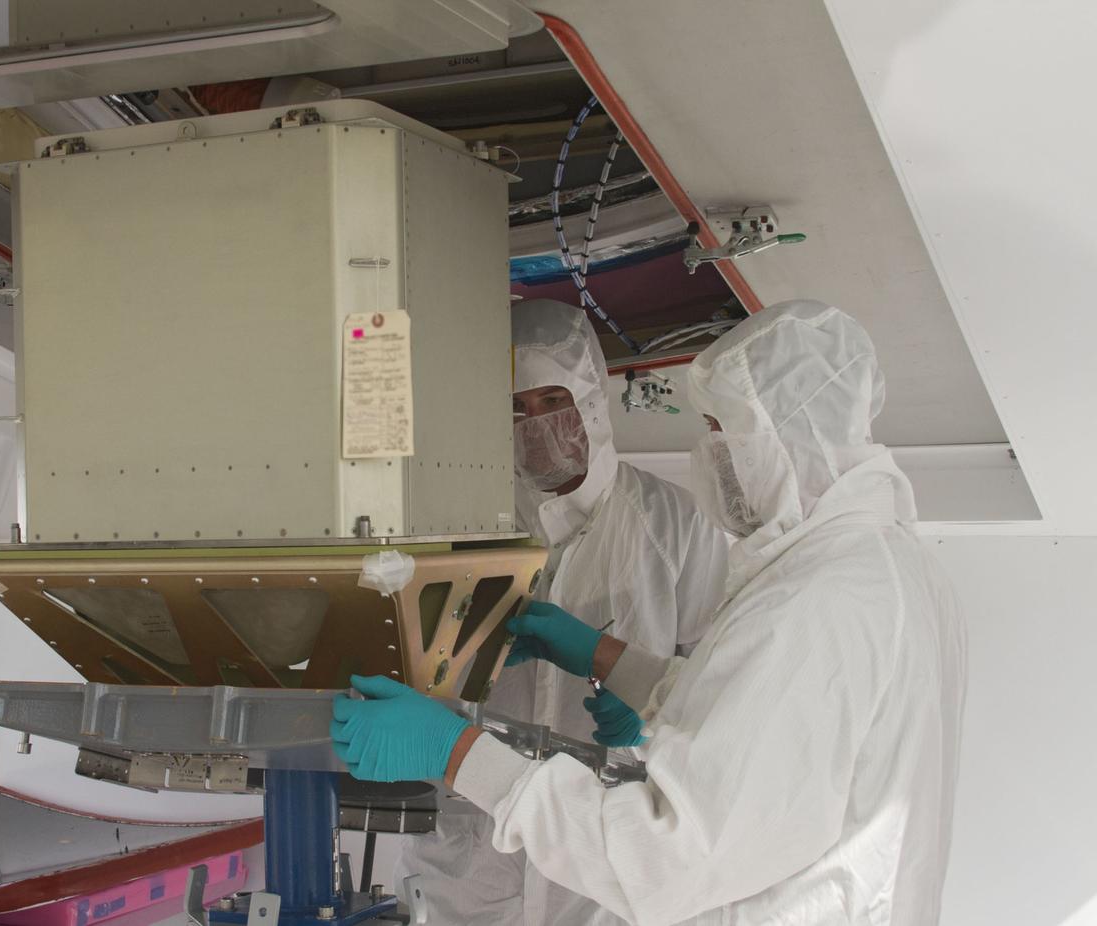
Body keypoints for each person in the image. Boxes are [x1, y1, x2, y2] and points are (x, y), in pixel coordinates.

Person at [332, 300, 968, 925]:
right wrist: (613, 661)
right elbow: (747, 715)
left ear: (779, 437)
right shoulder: (882, 568)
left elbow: (667, 857)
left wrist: (456, 751)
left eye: (721, 430)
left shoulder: (814, 599)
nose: (712, 452)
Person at [393, 298, 728, 925]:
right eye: (515, 408)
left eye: (552, 400)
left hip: (603, 852)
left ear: (593, 401)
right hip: (471, 854)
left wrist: (647, 720)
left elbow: (714, 690)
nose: (536, 424)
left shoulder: (676, 523)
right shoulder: (463, 521)